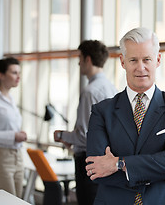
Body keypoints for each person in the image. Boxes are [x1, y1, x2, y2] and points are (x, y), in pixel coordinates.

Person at [85, 27, 165, 205]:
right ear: (122, 62)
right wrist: (160, 174)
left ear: (157, 60)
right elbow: (95, 170)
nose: (140, 67)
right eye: (133, 60)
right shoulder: (102, 111)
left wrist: (118, 164)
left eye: (147, 59)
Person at [54, 40, 117, 205]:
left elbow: (84, 136)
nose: (78, 62)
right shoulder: (111, 88)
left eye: (80, 58)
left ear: (88, 59)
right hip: (107, 160)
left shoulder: (90, 91)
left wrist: (61, 135)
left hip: (88, 162)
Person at [0, 57, 27, 197]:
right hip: (0, 157)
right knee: (6, 200)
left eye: (19, 73)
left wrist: (19, 134)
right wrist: (13, 136)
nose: (18, 77)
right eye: (14, 73)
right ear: (0, 75)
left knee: (17, 199)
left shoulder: (11, 100)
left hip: (17, 156)